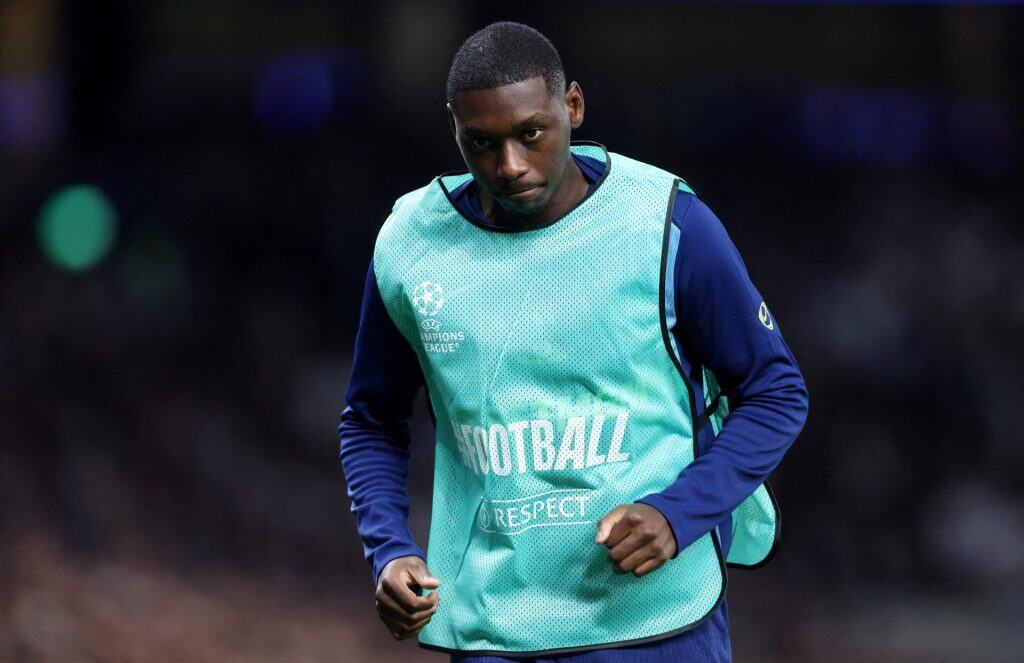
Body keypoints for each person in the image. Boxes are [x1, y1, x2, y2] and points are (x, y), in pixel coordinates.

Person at [338, 21, 808, 662]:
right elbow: (370, 418)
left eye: (532, 133)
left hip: (656, 623)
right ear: (454, 127)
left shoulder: (665, 222)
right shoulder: (410, 245)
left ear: (574, 107)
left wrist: (679, 513)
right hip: (496, 632)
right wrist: (389, 548)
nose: (509, 165)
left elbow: (775, 391)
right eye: (481, 143)